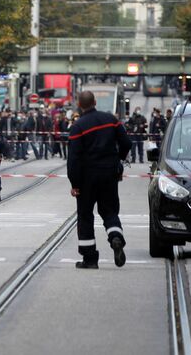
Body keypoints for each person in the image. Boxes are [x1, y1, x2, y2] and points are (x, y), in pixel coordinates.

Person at [67, 91, 132, 269]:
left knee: (85, 216)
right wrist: (117, 160)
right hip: (109, 174)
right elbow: (127, 143)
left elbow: (73, 158)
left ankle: (90, 259)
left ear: (79, 105)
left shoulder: (78, 127)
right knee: (110, 211)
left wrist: (74, 184)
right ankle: (115, 237)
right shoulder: (111, 120)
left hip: (87, 178)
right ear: (95, 102)